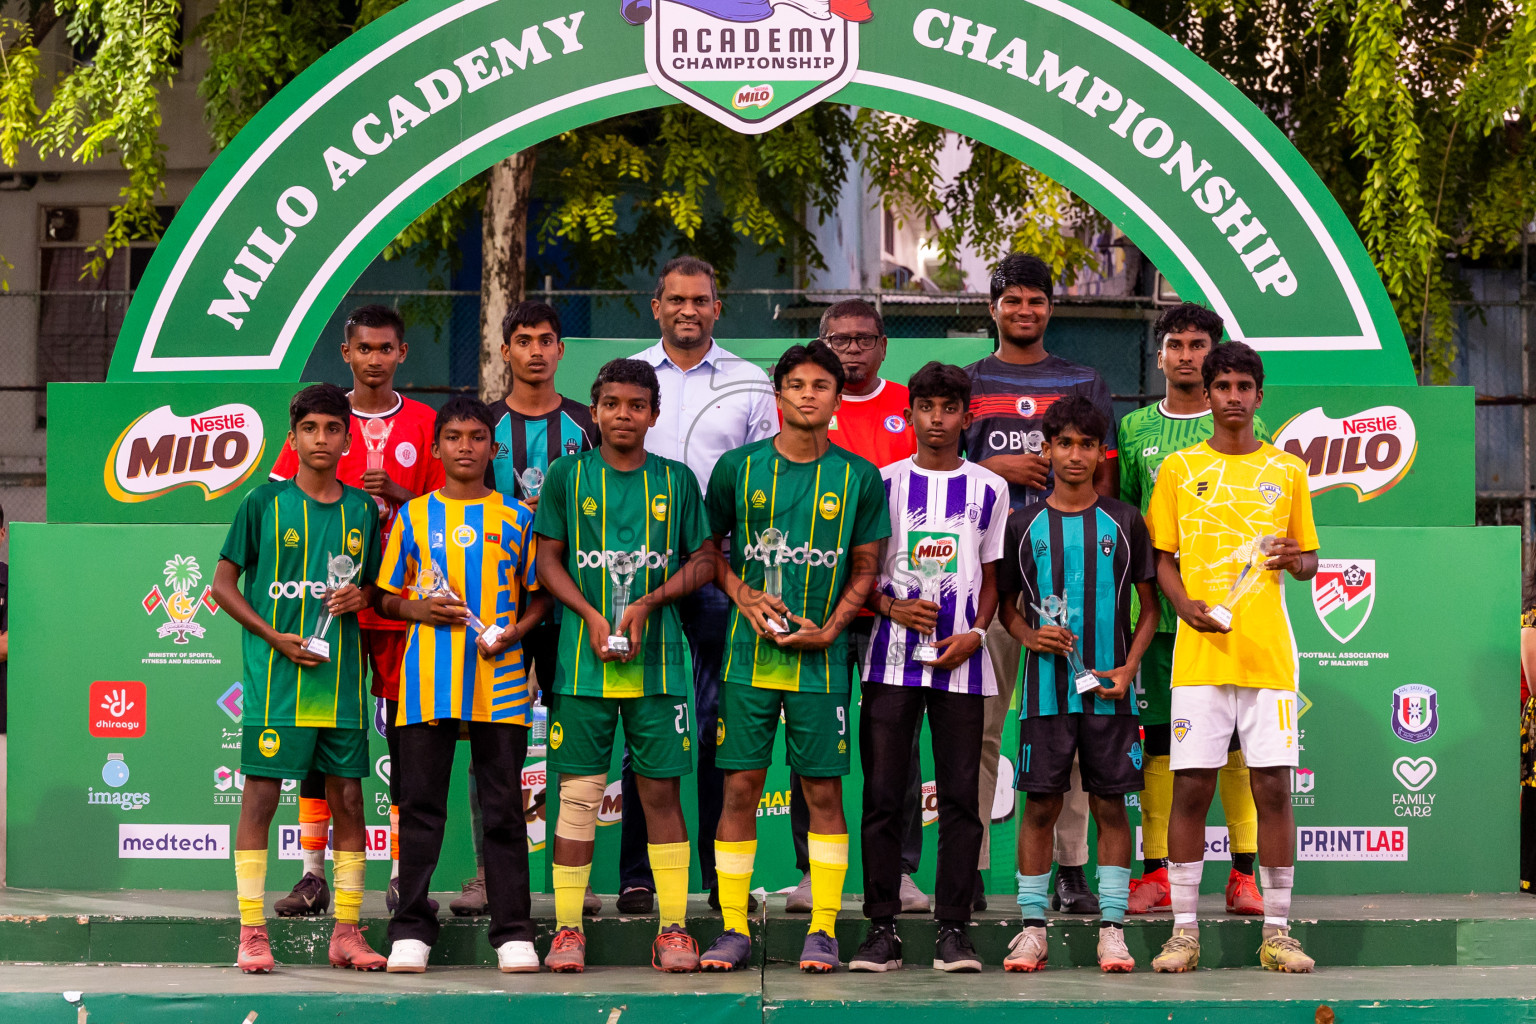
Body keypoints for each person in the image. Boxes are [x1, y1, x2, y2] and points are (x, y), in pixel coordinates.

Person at [698, 341, 889, 974]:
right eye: (797, 384)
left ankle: (825, 928)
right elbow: (707, 550)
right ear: (778, 395)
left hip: (822, 661)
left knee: (822, 792)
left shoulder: (859, 476)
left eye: (821, 385)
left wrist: (831, 631)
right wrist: (741, 593)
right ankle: (731, 928)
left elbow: (867, 567)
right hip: (745, 660)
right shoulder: (738, 467)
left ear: (839, 398)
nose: (808, 394)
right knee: (740, 788)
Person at [533, 358, 716, 972]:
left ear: (653, 415)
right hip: (582, 663)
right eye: (611, 403)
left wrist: (645, 602)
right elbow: (547, 560)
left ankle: (672, 928)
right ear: (596, 409)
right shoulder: (566, 476)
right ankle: (566, 930)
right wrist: (589, 613)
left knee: (660, 794)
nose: (623, 415)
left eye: (637, 405)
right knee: (579, 795)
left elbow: (703, 562)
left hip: (659, 664)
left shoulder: (677, 480)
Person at [1145, 342, 1320, 974]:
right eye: (1223, 386)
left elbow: (1310, 562)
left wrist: (1293, 561)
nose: (1234, 397)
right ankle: (1183, 932)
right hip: (1199, 655)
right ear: (1208, 394)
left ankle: (1277, 931)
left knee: (1272, 786)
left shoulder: (1287, 472)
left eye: (1245, 386)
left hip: (1268, 656)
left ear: (1259, 396)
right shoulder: (1176, 469)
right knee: (1191, 786)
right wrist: (1183, 605)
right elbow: (1161, 558)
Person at [267, 305, 444, 918]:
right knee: (319, 740)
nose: (374, 358)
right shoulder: (321, 418)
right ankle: (313, 874)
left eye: (385, 348)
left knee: (404, 739)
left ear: (401, 354)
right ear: (347, 353)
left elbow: (450, 509)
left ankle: (400, 873)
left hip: (400, 605)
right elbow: (283, 503)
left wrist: (404, 497)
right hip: (330, 612)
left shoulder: (424, 423)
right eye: (363, 348)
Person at [210, 383, 386, 974]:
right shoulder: (263, 503)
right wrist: (271, 635)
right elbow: (223, 584)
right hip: (276, 683)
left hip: (340, 686)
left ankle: (347, 931)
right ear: (293, 438)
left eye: (332, 429)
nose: (321, 439)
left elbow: (375, 592)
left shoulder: (363, 510)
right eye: (309, 429)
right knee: (260, 799)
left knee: (352, 802)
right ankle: (252, 932)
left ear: (347, 437)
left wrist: (363, 595)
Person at [965, 253, 1119, 915]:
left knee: (1076, 723)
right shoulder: (969, 382)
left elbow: (1106, 478)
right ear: (992, 306)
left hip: (1070, 575)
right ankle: (967, 869)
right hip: (991, 575)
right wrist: (995, 464)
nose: (1024, 311)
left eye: (1036, 301)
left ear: (1051, 307)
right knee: (983, 729)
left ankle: (1074, 871)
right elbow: (948, 470)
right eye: (1012, 300)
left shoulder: (1082, 379)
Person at [376, 396, 552, 974]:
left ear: (493, 449)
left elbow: (538, 599)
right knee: (420, 808)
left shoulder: (519, 519)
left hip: (499, 685)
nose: (466, 447)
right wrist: (420, 611)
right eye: (453, 437)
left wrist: (513, 633)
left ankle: (513, 932)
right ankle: (410, 930)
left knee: (503, 810)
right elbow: (382, 597)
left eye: (477, 437)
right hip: (425, 684)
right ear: (437, 447)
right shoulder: (412, 517)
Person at [626, 256, 777, 914]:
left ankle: (721, 885)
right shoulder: (631, 378)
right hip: (641, 574)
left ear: (719, 308)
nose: (688, 310)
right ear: (655, 307)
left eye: (701, 300)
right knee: (645, 715)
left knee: (720, 723)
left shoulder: (749, 381)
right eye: (676, 300)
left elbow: (765, 482)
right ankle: (636, 878)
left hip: (722, 572)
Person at [848, 361, 1008, 974]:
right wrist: (889, 606)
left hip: (964, 665)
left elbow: (992, 578)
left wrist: (972, 632)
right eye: (926, 408)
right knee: (886, 796)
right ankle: (881, 929)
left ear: (966, 416)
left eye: (949, 409)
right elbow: (861, 573)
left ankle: (953, 931)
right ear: (909, 413)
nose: (937, 420)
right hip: (890, 663)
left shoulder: (988, 488)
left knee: (962, 798)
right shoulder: (881, 483)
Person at [993, 395, 1158, 973]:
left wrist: (1130, 667)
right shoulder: (1021, 524)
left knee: (1111, 805)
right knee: (1040, 804)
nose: (1075, 454)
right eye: (1064, 443)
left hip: (1111, 696)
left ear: (1099, 452)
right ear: (1046, 448)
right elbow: (1007, 607)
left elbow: (1151, 608)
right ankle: (1032, 927)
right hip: (1044, 695)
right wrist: (1028, 636)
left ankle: (1112, 929)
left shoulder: (1125, 519)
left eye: (1087, 444)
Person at [1116, 303, 1264, 916]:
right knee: (1158, 744)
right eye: (1175, 344)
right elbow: (1125, 520)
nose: (1186, 355)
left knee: (1233, 746)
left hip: (1231, 616)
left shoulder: (1257, 431)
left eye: (1197, 345)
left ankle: (1244, 876)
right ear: (1160, 355)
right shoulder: (1134, 432)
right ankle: (1154, 874)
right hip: (1156, 615)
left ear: (1216, 354)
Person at [785, 298, 927, 915]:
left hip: (896, 602)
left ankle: (898, 872)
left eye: (863, 340)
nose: (851, 351)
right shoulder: (812, 410)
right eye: (839, 340)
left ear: (883, 345)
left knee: (892, 747)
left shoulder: (908, 404)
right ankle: (814, 873)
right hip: (821, 605)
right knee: (810, 743)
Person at [469, 300, 601, 919]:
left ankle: (578, 881)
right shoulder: (482, 425)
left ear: (561, 350)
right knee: (497, 745)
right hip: (499, 615)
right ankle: (483, 874)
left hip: (576, 609)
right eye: (523, 340)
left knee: (578, 744)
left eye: (547, 340)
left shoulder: (587, 423)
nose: (536, 351)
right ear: (506, 351)